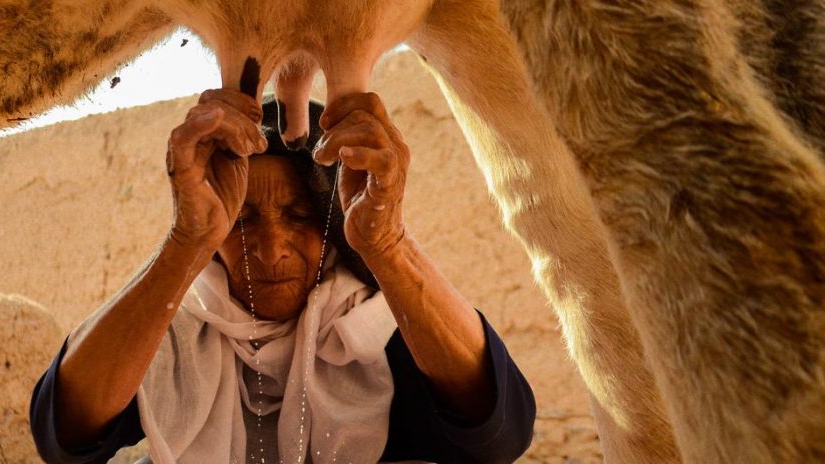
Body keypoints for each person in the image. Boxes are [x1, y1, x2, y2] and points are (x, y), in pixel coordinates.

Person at [30, 90, 535, 463]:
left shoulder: (369, 330)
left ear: (332, 222)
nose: (270, 253)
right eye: (241, 221)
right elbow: (65, 432)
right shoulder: (180, 329)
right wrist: (186, 242)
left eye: (298, 216)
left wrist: (388, 245)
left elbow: (500, 433)